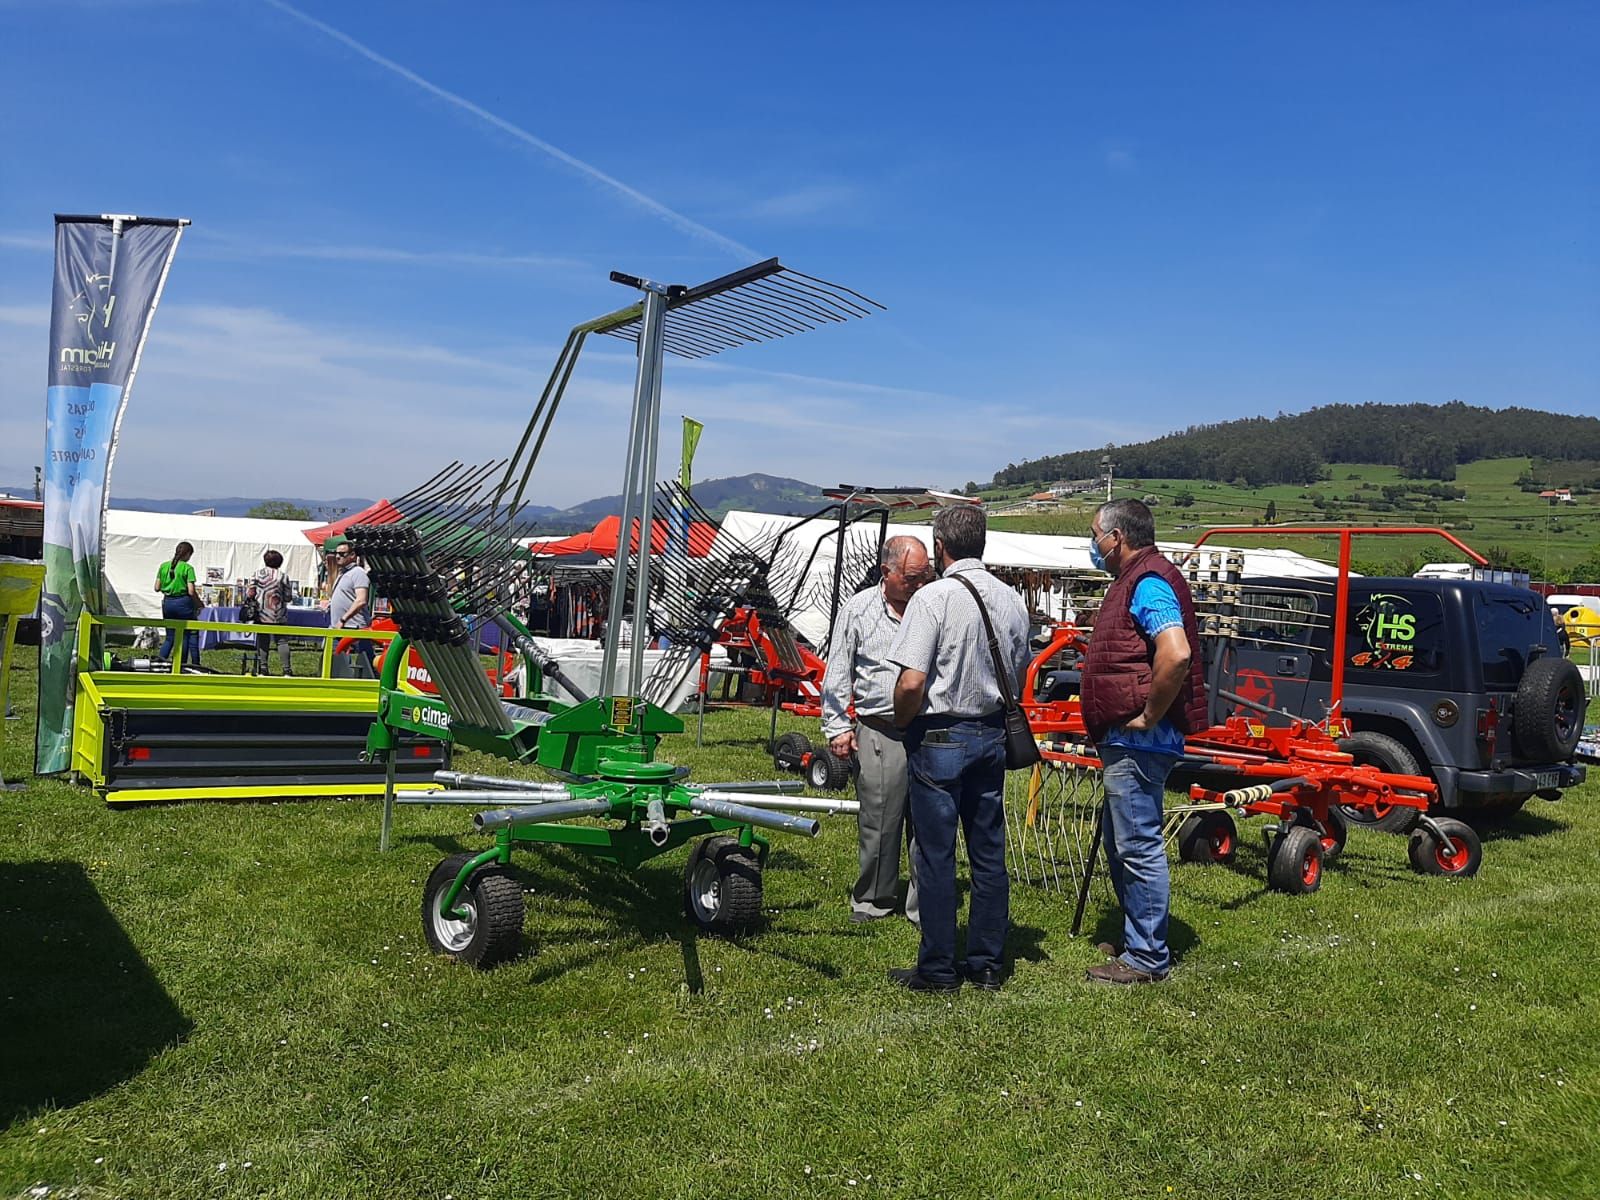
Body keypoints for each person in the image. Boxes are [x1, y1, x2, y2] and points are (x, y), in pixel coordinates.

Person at [887, 505, 1030, 992]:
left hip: (940, 733)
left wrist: (903, 722)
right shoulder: (1013, 600)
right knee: (989, 853)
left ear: (940, 547)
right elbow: (1022, 672)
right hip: (991, 732)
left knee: (935, 855)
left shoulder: (934, 599)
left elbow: (911, 682)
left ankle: (938, 968)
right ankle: (988, 963)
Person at [1080, 498, 1207, 986]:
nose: (1094, 544)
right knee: (1123, 842)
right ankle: (1138, 936)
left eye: (1096, 534)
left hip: (1140, 742)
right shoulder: (1136, 579)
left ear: (1118, 537)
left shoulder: (1149, 582)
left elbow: (1174, 654)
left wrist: (1150, 713)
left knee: (1137, 845)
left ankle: (1147, 957)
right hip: (1128, 740)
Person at [820, 535, 933, 925]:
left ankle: (924, 904)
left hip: (928, 729)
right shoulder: (859, 610)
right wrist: (837, 727)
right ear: (887, 572)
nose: (919, 584)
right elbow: (838, 669)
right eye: (911, 577)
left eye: (924, 576)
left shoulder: (933, 604)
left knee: (928, 820)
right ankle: (873, 898)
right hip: (879, 728)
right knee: (880, 819)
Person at [324, 539, 375, 673]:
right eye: (336, 553)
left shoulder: (358, 573)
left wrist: (343, 619)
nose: (337, 556)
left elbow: (361, 600)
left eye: (342, 554)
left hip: (355, 628)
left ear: (353, 555)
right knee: (332, 662)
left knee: (366, 665)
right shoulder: (343, 573)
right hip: (339, 627)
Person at [246, 549, 299, 676]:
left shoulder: (257, 574)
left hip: (261, 612)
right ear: (280, 562)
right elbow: (288, 597)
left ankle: (263, 668)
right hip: (278, 613)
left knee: (263, 640)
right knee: (282, 641)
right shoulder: (283, 576)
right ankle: (287, 670)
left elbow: (250, 593)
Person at [154, 541, 201, 667]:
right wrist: (199, 604)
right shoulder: (187, 568)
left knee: (170, 636)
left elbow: (157, 587)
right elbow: (191, 591)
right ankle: (181, 664)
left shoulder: (163, 566)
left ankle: (160, 661)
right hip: (183, 603)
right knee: (184, 636)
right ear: (188, 554)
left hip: (168, 602)